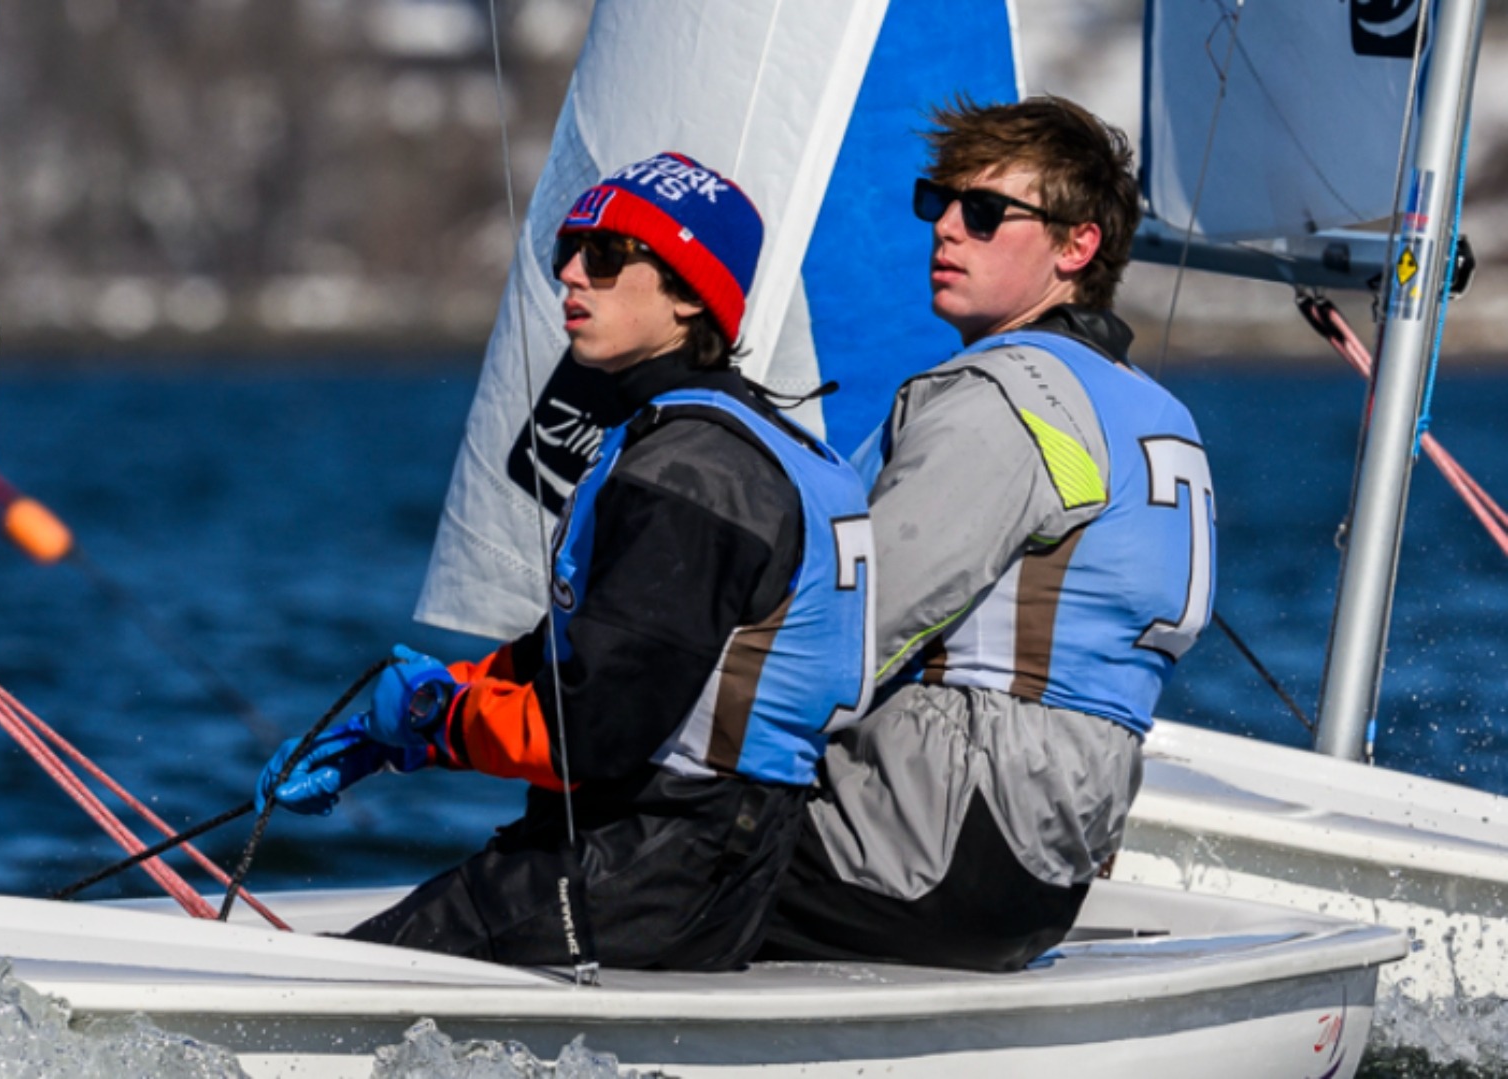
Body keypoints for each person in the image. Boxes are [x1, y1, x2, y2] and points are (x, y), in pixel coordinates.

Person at [257, 152, 874, 971]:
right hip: (699, 857)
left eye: (611, 256)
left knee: (330, 988)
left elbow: (589, 731)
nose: (572, 275)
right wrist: (430, 709)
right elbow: (587, 656)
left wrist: (430, 717)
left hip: (654, 863)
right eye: (568, 251)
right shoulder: (747, 443)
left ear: (691, 294)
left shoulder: (689, 476)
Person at [759, 96, 1217, 972]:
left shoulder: (1004, 397)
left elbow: (851, 629)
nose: (947, 232)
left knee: (629, 846)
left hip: (925, 853)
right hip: (1046, 873)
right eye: (940, 203)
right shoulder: (1160, 413)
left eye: (984, 212)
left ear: (1075, 247)